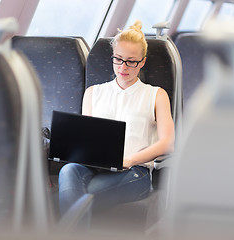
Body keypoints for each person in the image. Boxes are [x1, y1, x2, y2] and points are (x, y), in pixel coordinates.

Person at [58, 20, 175, 216]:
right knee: (68, 171)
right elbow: (86, 138)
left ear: (142, 62)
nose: (123, 67)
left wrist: (130, 159)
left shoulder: (156, 95)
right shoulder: (93, 92)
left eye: (131, 61)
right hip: (93, 167)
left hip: (135, 172)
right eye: (118, 59)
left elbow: (167, 143)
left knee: (85, 194)